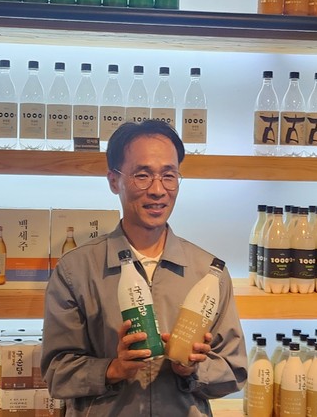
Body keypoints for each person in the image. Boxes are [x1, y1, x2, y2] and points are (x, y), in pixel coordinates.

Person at [41, 120, 247, 416]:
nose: (158, 190)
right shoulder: (76, 270)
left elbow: (234, 370)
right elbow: (56, 373)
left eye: (169, 176)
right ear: (114, 181)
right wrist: (113, 369)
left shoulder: (209, 273)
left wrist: (191, 369)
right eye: (142, 175)